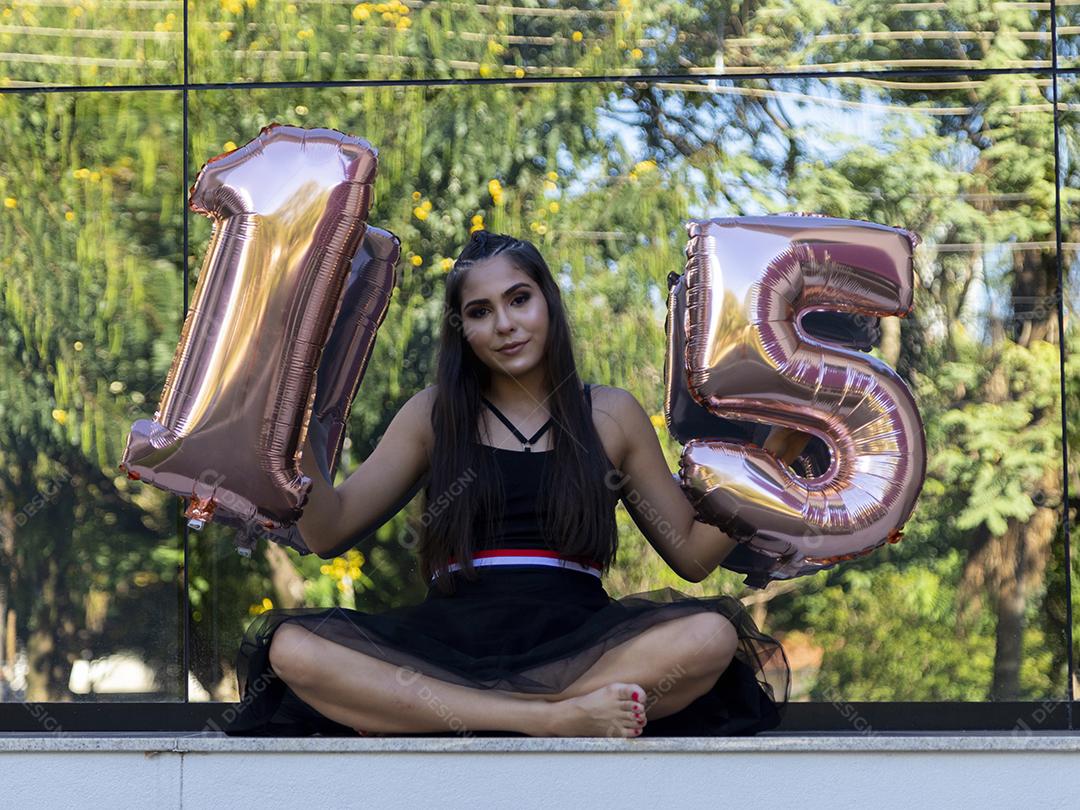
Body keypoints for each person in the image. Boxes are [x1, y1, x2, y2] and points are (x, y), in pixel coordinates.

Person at [223, 231, 796, 738]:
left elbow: (692, 556)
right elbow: (328, 532)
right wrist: (295, 410)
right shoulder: (433, 414)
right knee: (292, 648)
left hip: (584, 645)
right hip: (446, 647)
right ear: (462, 329)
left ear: (548, 301)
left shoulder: (611, 414)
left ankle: (478, 713)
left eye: (519, 299)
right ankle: (548, 718)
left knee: (710, 636)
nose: (504, 324)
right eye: (479, 311)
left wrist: (782, 448)